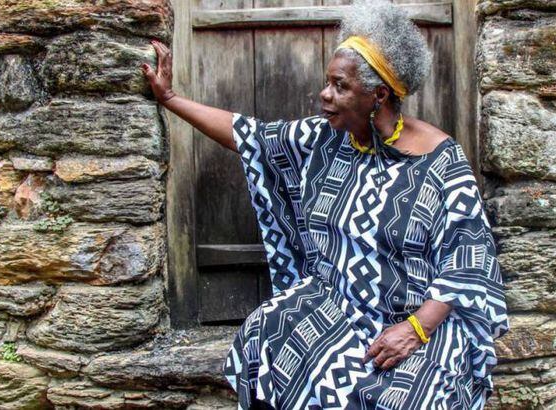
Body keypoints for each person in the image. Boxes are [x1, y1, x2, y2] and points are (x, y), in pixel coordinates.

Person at [141, 0, 508, 408]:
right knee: (265, 333)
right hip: (337, 305)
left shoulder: (441, 160)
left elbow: (469, 259)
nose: (324, 94)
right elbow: (249, 136)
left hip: (418, 319)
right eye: (327, 82)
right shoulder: (325, 139)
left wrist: (415, 329)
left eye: (340, 85)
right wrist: (170, 98)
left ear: (379, 94)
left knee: (400, 397)